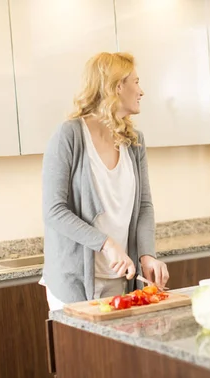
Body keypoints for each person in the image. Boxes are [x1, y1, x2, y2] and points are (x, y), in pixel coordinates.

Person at [40, 52, 168, 310]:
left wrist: (147, 255)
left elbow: (144, 206)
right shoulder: (69, 136)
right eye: (136, 82)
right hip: (74, 282)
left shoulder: (134, 141)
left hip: (121, 280)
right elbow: (54, 211)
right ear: (117, 86)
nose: (141, 91)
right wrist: (107, 244)